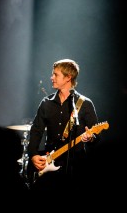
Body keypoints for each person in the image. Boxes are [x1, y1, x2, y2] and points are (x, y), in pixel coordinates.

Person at [27, 58, 100, 192]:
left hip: (76, 165)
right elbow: (36, 131)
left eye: (55, 74)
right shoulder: (46, 103)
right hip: (49, 162)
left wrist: (90, 138)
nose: (51, 77)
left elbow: (95, 137)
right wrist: (33, 154)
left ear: (68, 77)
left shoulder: (85, 104)